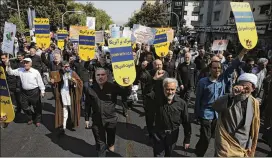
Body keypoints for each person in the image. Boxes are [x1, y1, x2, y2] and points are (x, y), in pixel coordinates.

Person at [194, 48, 248, 157]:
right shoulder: (203, 82)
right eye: (214, 68)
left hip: (219, 113)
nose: (217, 70)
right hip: (206, 113)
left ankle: (198, 148)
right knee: (206, 137)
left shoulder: (223, 79)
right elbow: (198, 99)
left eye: (219, 68)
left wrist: (242, 52)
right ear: (210, 69)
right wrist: (197, 115)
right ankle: (199, 154)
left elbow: (233, 65)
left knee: (214, 137)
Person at [212, 73, 260, 157]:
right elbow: (216, 106)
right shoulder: (230, 98)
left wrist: (249, 145)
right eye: (242, 85)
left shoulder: (254, 103)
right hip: (226, 144)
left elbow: (253, 128)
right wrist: (231, 95)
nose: (244, 89)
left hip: (243, 146)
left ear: (253, 88)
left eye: (247, 87)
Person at [85, 68, 125, 157]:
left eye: (102, 75)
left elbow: (125, 93)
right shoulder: (90, 89)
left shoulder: (113, 87)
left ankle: (110, 147)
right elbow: (87, 105)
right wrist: (87, 119)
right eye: (98, 75)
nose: (100, 77)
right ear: (95, 77)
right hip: (97, 120)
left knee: (110, 142)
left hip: (111, 120)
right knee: (101, 144)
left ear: (106, 76)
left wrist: (127, 84)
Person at [146, 78, 191, 156]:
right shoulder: (156, 99)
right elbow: (146, 92)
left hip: (173, 135)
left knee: (169, 154)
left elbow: (186, 121)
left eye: (172, 89)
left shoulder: (181, 103)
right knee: (158, 155)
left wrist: (187, 139)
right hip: (158, 134)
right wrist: (153, 80)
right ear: (163, 88)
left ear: (176, 89)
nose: (170, 92)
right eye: (167, 89)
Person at [5, 58, 45, 127]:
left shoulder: (35, 72)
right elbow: (10, 72)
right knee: (24, 106)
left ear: (31, 64)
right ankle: (31, 117)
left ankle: (38, 120)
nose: (25, 64)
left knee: (37, 107)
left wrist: (42, 91)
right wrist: (8, 65)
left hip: (34, 91)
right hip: (24, 92)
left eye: (27, 63)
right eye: (24, 63)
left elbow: (40, 82)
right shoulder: (20, 70)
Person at [52, 61, 83, 134]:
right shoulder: (59, 73)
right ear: (62, 67)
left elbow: (80, 82)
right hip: (63, 93)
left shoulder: (73, 73)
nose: (67, 68)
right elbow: (56, 82)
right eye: (65, 66)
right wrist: (53, 82)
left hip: (70, 94)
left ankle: (73, 122)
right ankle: (64, 126)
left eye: (68, 66)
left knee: (72, 109)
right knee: (64, 109)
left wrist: (74, 81)